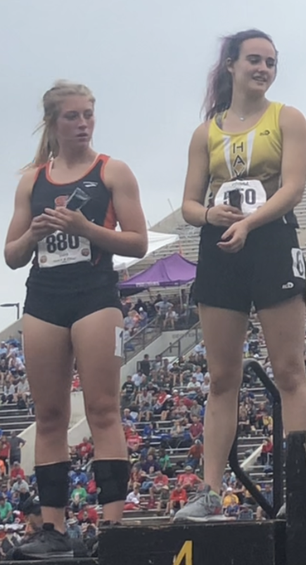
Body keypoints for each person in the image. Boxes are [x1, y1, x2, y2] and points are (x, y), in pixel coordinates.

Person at [3, 81, 148, 559]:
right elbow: (12, 254)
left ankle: (111, 524)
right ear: (53, 123)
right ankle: (53, 528)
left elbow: (138, 242)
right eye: (73, 117)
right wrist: (37, 231)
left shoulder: (112, 171)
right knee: (49, 416)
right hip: (45, 298)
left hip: (95, 297)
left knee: (103, 409)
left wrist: (85, 227)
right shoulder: (32, 180)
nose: (83, 124)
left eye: (88, 114)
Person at [176, 29, 306, 521]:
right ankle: (211, 491)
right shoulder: (206, 132)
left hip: (272, 241)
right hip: (221, 249)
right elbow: (190, 203)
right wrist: (209, 216)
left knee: (289, 371)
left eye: (271, 62)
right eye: (254, 60)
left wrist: (251, 222)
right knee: (221, 377)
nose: (263, 68)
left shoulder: (287, 119)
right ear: (231, 65)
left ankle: (305, 485)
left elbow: (293, 188)